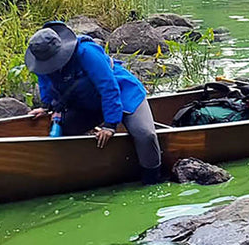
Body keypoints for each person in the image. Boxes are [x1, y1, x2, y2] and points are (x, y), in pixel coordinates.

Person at [24, 20, 162, 184]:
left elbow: (109, 88)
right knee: (66, 130)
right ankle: (85, 170)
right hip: (89, 104)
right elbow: (46, 85)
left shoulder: (86, 52)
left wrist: (110, 125)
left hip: (124, 94)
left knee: (145, 135)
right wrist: (46, 107)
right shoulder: (42, 59)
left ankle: (152, 179)